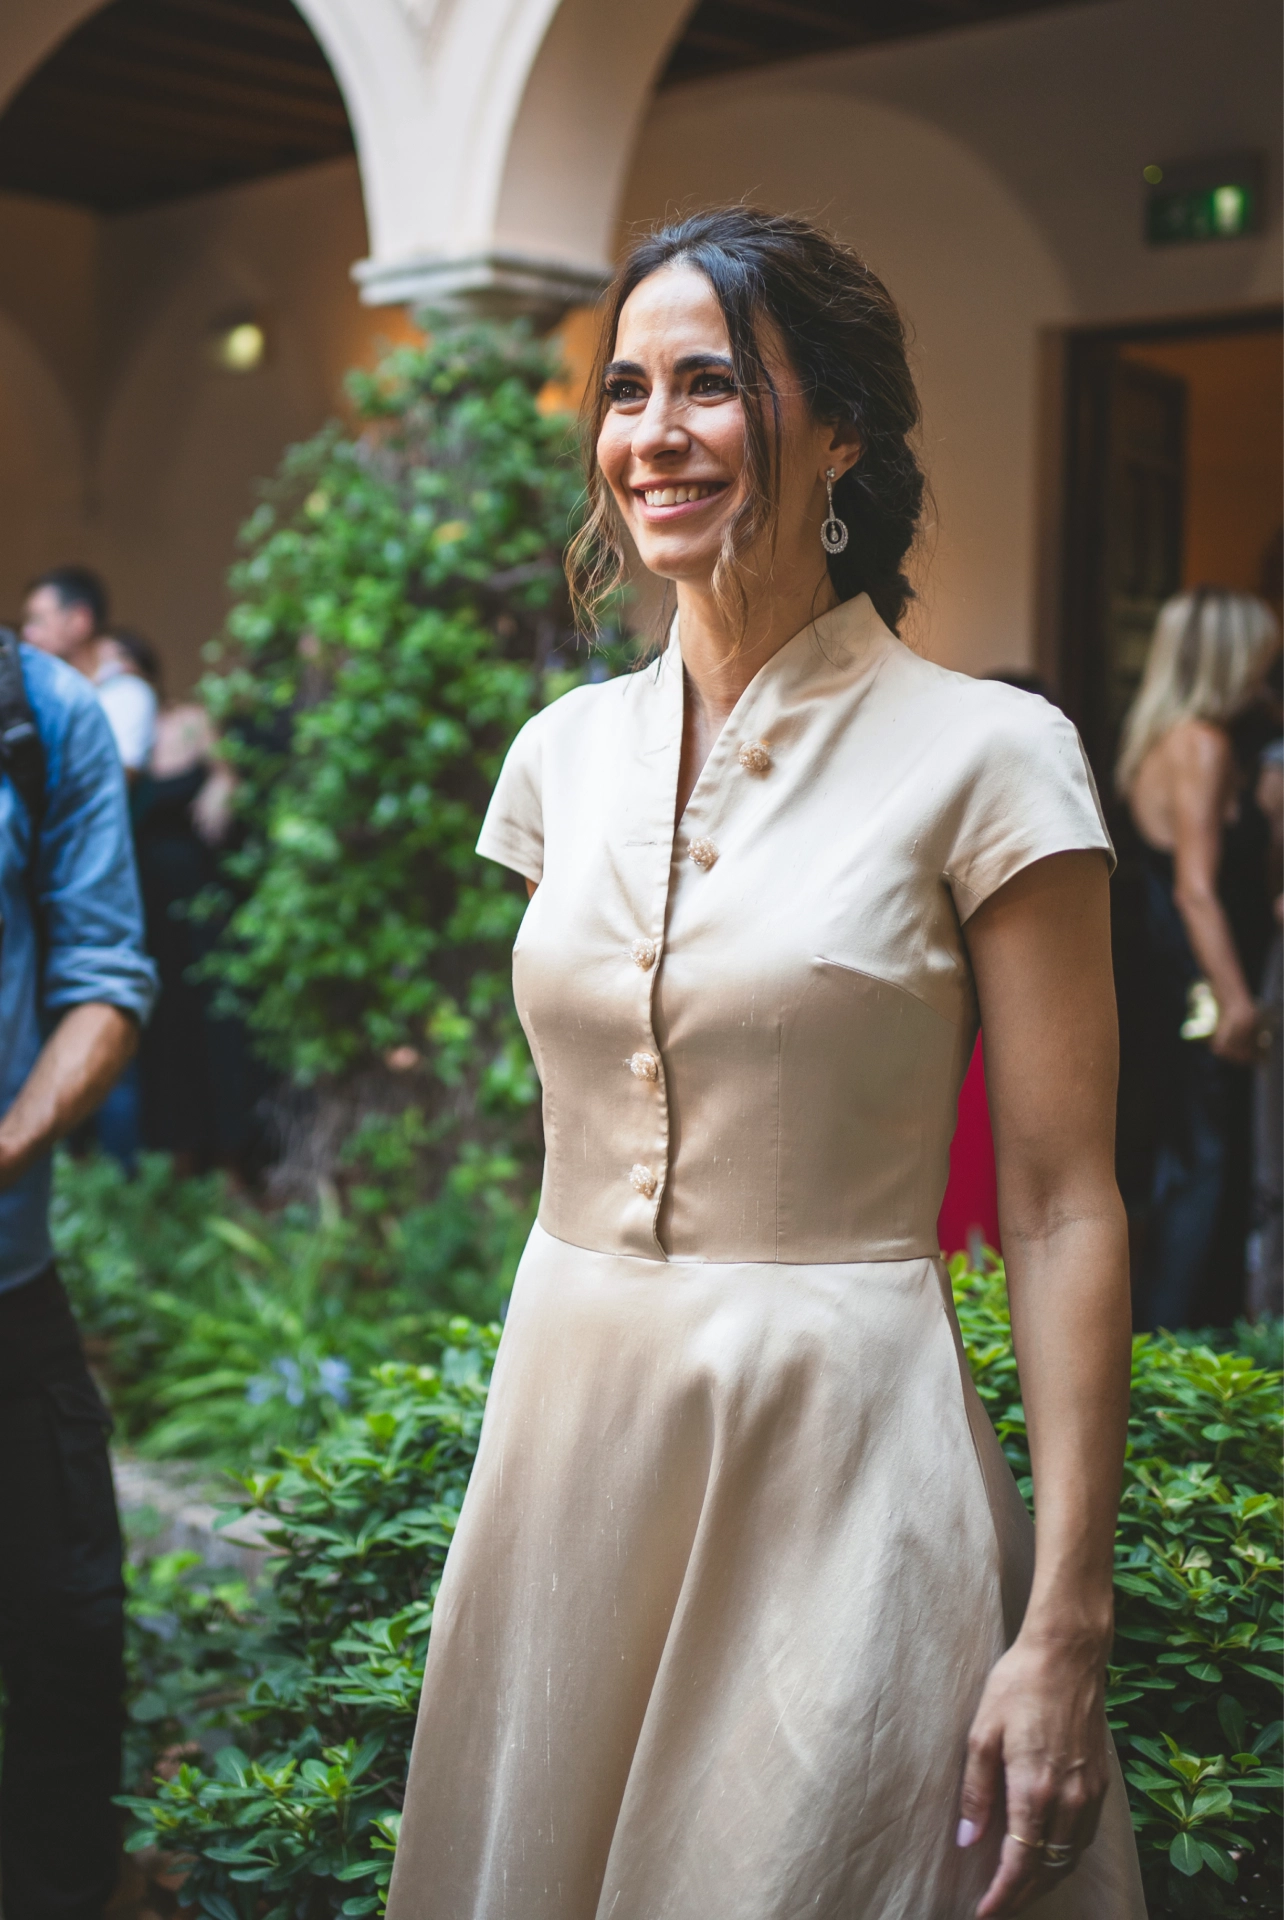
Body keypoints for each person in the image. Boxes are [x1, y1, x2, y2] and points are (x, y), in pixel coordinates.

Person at [387, 210, 1143, 1919]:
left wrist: (1064, 1622)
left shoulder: (990, 758)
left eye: (711, 385)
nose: (651, 433)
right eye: (626, 390)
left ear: (843, 430)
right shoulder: (559, 760)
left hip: (841, 1448)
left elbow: (1053, 1201)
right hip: (569, 1423)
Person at [0, 627, 157, 1919]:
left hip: (7, 1286)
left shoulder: (44, 713)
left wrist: (6, 1144)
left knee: (67, 1635)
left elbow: (103, 980)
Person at [1116, 589, 1280, 1332]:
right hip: (1198, 990)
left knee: (1186, 1171)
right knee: (1205, 1177)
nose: (1265, 676)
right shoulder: (1204, 746)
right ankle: (1185, 1357)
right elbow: (1197, 892)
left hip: (1165, 984)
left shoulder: (1164, 739)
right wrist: (1238, 1001)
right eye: (1259, 659)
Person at [21, 571, 158, 780]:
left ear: (79, 620)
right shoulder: (39, 692)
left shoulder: (124, 693)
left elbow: (112, 781)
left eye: (38, 620)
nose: (28, 634)